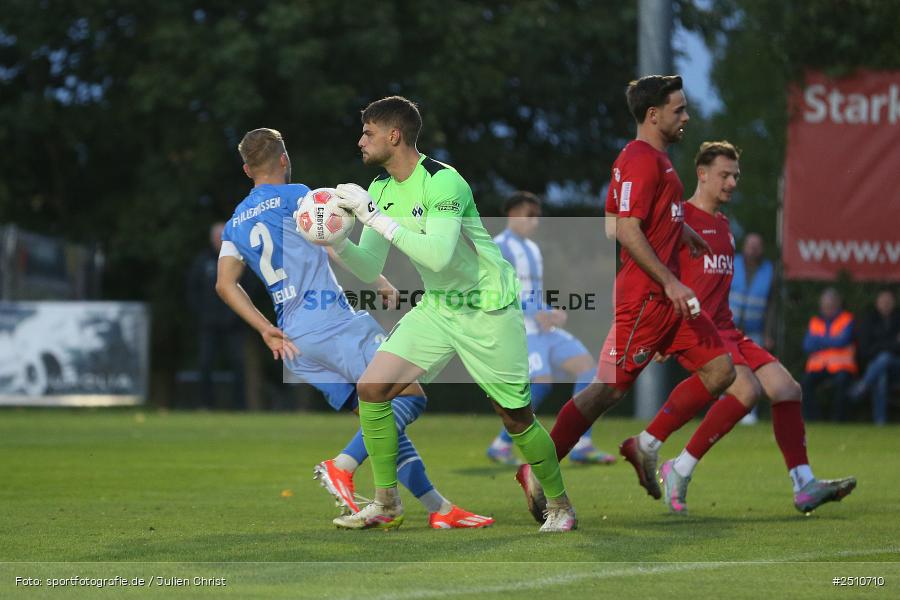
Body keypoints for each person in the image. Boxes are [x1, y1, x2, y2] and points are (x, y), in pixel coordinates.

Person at [216, 127, 492, 529]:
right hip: (332, 323)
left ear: (246, 170)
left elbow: (224, 283)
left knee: (377, 417)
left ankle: (433, 508)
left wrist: (264, 329)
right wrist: (379, 281)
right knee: (410, 397)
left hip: (294, 338)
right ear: (283, 159)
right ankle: (341, 465)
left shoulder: (235, 222)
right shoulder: (300, 197)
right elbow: (332, 239)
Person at [327, 96, 577, 532]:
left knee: (515, 417)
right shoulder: (383, 189)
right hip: (440, 306)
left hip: (487, 306)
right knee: (372, 389)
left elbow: (439, 256)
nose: (360, 140)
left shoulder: (444, 182)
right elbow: (370, 266)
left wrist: (374, 216)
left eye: (367, 132)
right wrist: (334, 241)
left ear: (394, 135)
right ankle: (386, 502)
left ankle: (559, 506)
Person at [515, 75, 737, 523]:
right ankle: (538, 468)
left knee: (720, 370)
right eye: (679, 109)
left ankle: (649, 444)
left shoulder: (657, 160)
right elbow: (627, 231)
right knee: (605, 391)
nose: (686, 117)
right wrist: (671, 281)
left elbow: (615, 222)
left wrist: (681, 231)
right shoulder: (640, 159)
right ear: (653, 115)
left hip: (668, 298)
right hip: (646, 300)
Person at [627, 140, 855, 514]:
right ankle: (674, 463)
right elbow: (651, 272)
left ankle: (803, 484)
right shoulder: (677, 219)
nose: (732, 182)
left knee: (787, 388)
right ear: (701, 174)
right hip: (697, 329)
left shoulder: (724, 224)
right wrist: (658, 332)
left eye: (736, 176)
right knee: (746, 391)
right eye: (724, 175)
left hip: (727, 328)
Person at [486, 191, 616, 466]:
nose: (535, 222)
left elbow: (532, 291)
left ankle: (583, 443)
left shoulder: (532, 249)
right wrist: (537, 312)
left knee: (588, 369)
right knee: (542, 384)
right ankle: (501, 443)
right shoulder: (498, 247)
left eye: (538, 217)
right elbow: (496, 293)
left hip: (543, 327)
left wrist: (550, 311)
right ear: (512, 214)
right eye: (529, 216)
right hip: (520, 329)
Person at [186, 222, 247, 410]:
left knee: (238, 364)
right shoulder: (202, 261)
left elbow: (249, 288)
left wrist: (239, 313)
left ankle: (240, 406)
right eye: (217, 237)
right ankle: (206, 404)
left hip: (234, 324)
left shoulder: (239, 260)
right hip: (209, 324)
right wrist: (202, 313)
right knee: (205, 363)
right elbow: (192, 290)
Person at [729, 231, 775, 424]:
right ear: (743, 247)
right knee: (726, 368)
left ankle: (749, 412)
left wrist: (768, 334)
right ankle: (726, 406)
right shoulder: (732, 263)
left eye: (757, 246)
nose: (753, 250)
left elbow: (771, 307)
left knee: (753, 370)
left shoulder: (769, 270)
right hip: (729, 327)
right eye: (750, 245)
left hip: (755, 330)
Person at [801, 288, 857, 421]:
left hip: (842, 366)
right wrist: (832, 340)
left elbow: (843, 341)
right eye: (825, 306)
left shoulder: (847, 319)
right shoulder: (815, 321)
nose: (828, 309)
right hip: (818, 367)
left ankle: (838, 420)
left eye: (831, 306)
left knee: (842, 382)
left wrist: (819, 340)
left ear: (838, 305)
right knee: (805, 382)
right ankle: (813, 419)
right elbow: (807, 345)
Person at [851, 288, 900, 425]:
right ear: (877, 303)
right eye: (883, 301)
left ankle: (863, 385)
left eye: (888, 301)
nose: (886, 304)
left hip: (897, 366)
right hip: (876, 367)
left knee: (885, 358)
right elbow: (866, 350)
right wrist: (893, 343)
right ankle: (880, 422)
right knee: (880, 374)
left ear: (894, 303)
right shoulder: (869, 320)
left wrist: (881, 345)